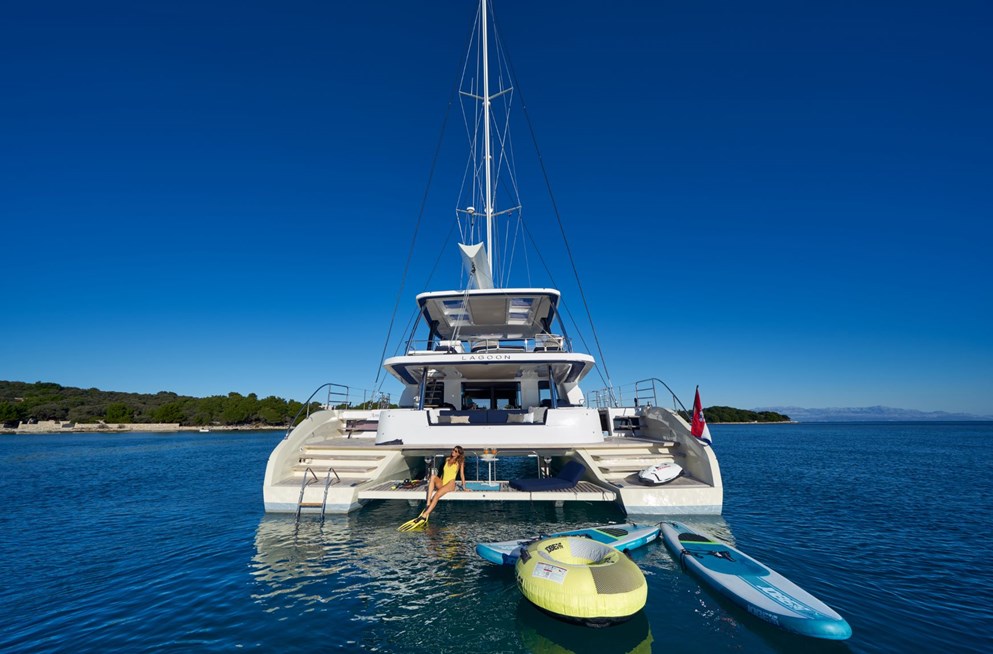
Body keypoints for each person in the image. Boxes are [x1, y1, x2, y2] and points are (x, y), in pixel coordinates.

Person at [421, 445, 470, 520]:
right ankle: (428, 504)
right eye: (453, 450)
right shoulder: (447, 459)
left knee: (436, 495)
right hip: (443, 483)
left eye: (455, 451)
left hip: (451, 483)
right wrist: (437, 482)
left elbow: (462, 475)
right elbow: (444, 473)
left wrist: (464, 487)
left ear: (458, 454)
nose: (453, 451)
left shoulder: (460, 462)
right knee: (433, 476)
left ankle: (425, 515)